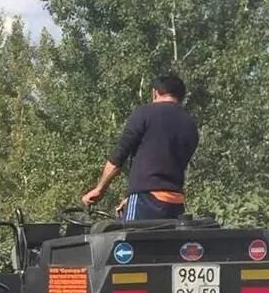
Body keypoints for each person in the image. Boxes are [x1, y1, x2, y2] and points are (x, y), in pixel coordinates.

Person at [83, 73, 200, 221]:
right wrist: (131, 199)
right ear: (181, 96)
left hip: (146, 200)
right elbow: (170, 163)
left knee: (130, 242)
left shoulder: (144, 113)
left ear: (155, 92)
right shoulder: (190, 124)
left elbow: (118, 157)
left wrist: (99, 189)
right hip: (176, 203)